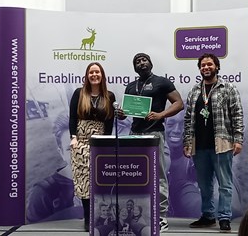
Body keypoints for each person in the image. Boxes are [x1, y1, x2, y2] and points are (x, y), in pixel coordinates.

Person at [118, 52, 183, 232]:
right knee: (134, 176)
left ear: (150, 63)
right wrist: (122, 114)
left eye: (144, 59)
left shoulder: (162, 82)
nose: (141, 62)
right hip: (134, 134)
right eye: (137, 61)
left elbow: (179, 103)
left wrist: (161, 114)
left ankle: (161, 217)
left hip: (154, 134)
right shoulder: (131, 86)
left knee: (159, 175)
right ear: (135, 67)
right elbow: (128, 111)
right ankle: (138, 215)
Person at [183, 53, 244, 232]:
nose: (206, 68)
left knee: (224, 184)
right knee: (203, 184)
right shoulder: (195, 91)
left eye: (209, 64)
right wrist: (187, 142)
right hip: (199, 145)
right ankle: (208, 215)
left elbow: (237, 115)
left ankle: (224, 217)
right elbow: (188, 119)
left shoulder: (228, 88)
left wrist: (238, 139)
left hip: (222, 143)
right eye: (203, 65)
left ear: (217, 67)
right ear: (200, 69)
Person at [69, 62, 116, 231]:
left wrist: (108, 142)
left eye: (97, 72)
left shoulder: (109, 96)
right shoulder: (79, 93)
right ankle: (88, 217)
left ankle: (101, 216)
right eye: (91, 72)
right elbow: (72, 117)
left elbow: (109, 121)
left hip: (100, 141)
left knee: (99, 180)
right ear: (87, 76)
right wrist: (73, 137)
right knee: (84, 181)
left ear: (102, 75)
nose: (94, 75)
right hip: (81, 142)